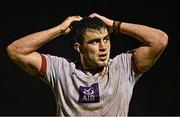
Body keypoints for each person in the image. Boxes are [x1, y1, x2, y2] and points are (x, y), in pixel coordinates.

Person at [6, 13, 168, 116]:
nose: (103, 47)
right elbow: (16, 51)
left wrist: (114, 25)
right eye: (94, 42)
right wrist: (59, 29)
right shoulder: (61, 69)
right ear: (79, 48)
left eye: (106, 39)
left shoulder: (123, 67)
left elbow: (159, 40)